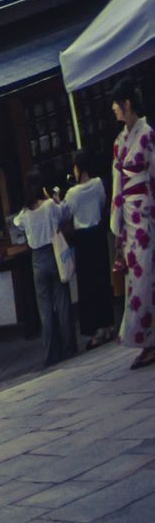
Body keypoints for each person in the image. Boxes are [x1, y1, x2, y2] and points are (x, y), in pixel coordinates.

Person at [115, 89, 155, 369]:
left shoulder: (147, 134)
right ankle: (148, 341)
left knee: (145, 277)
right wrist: (117, 224)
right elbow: (117, 182)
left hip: (145, 212)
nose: (113, 109)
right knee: (137, 278)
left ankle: (150, 341)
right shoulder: (120, 141)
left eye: (116, 103)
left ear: (127, 103)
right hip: (129, 217)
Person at [20, 183, 79, 367]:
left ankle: (51, 354)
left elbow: (17, 224)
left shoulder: (24, 213)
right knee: (62, 301)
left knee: (44, 308)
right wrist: (52, 199)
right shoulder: (49, 205)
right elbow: (64, 214)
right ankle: (69, 347)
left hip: (37, 259)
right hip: (53, 253)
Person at [67, 148, 112, 353]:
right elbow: (102, 203)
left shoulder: (72, 193)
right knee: (102, 279)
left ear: (77, 168)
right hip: (98, 235)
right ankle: (108, 326)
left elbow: (67, 213)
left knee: (87, 286)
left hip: (83, 240)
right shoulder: (98, 184)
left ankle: (95, 333)